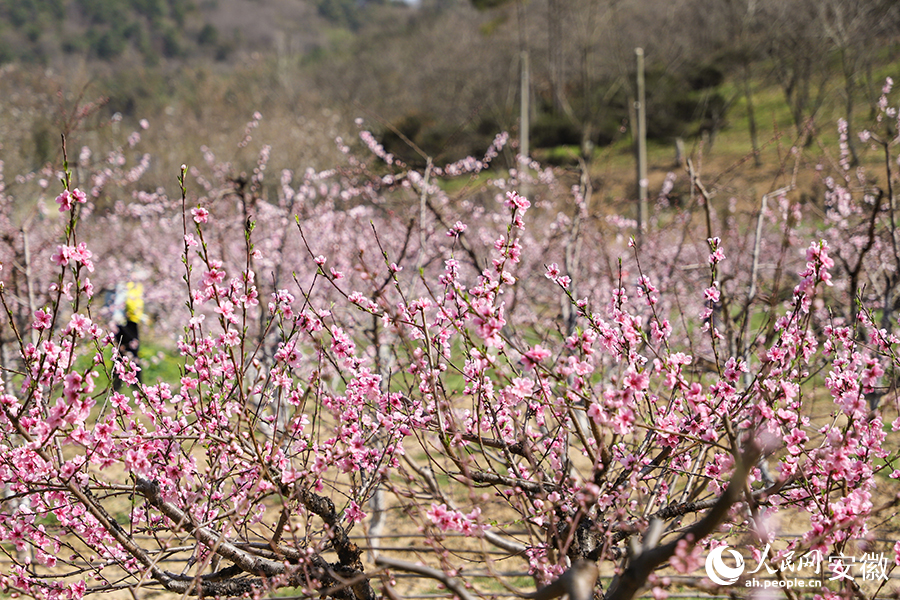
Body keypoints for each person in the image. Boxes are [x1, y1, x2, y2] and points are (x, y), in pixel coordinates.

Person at [111, 279, 144, 389]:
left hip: (131, 322)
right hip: (124, 325)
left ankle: (135, 386)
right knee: (123, 355)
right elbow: (118, 308)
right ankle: (119, 386)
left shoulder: (135, 286)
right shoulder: (126, 286)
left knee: (128, 355)